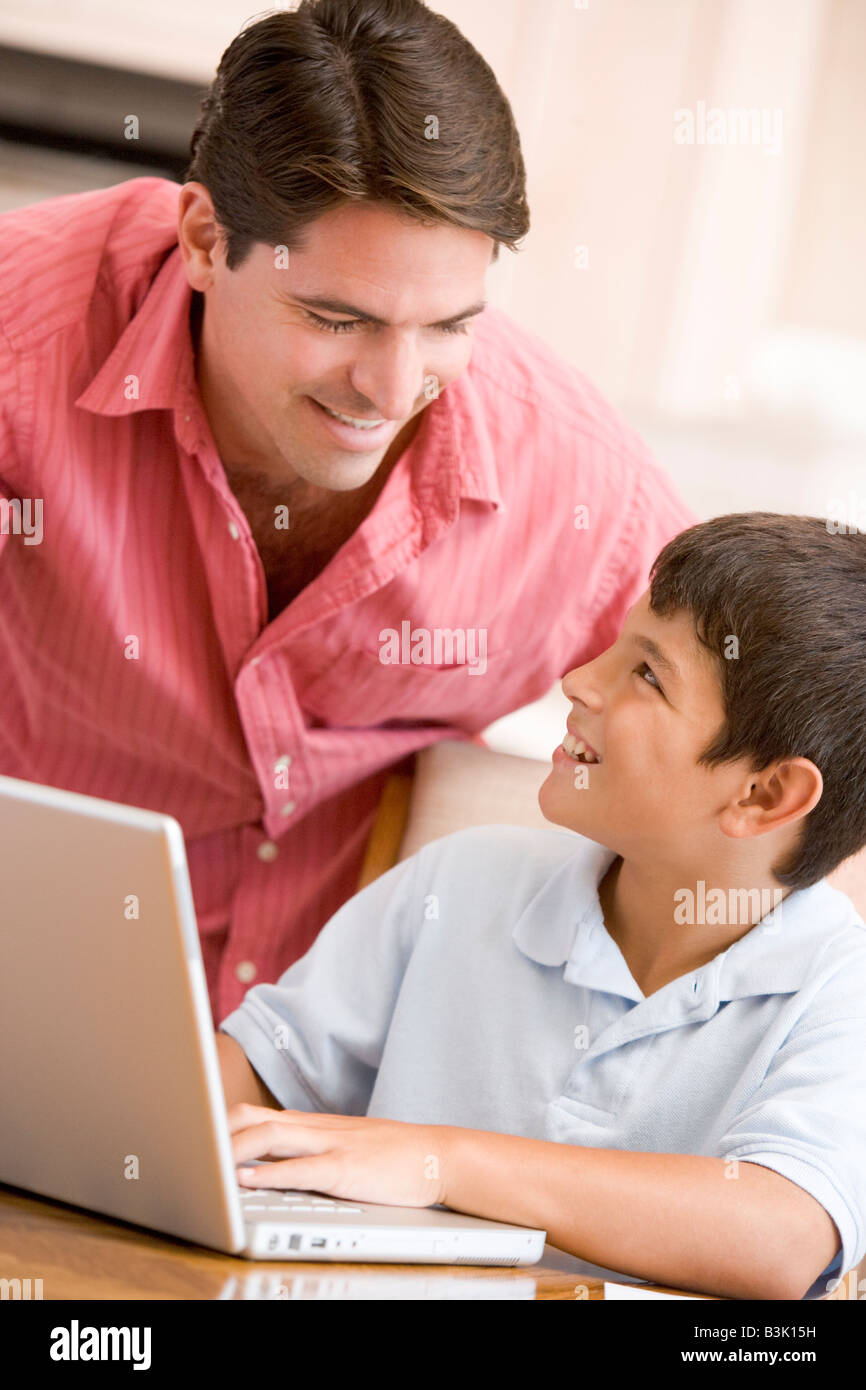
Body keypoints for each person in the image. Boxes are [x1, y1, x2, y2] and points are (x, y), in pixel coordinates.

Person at [0, 0, 693, 1025]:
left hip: (331, 1097)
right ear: (202, 239)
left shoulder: (575, 487)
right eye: (336, 319)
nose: (391, 385)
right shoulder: (24, 340)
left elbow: (785, 772)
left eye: (448, 325)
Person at [216, 513, 866, 1301]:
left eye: (648, 675)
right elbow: (252, 1078)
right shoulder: (462, 882)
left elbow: (781, 1236)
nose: (581, 680)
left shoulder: (838, 991)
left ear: (766, 794)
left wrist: (439, 1163)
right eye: (616, 648)